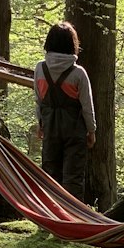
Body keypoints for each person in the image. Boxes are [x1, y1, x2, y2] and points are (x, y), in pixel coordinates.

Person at [34, 20, 96, 202]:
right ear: (72, 45)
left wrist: (40, 124)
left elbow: (39, 100)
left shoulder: (40, 68)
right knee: (73, 178)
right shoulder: (78, 73)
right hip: (75, 131)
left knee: (50, 174)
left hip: (50, 128)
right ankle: (72, 219)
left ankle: (50, 215)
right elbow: (87, 106)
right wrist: (91, 130)